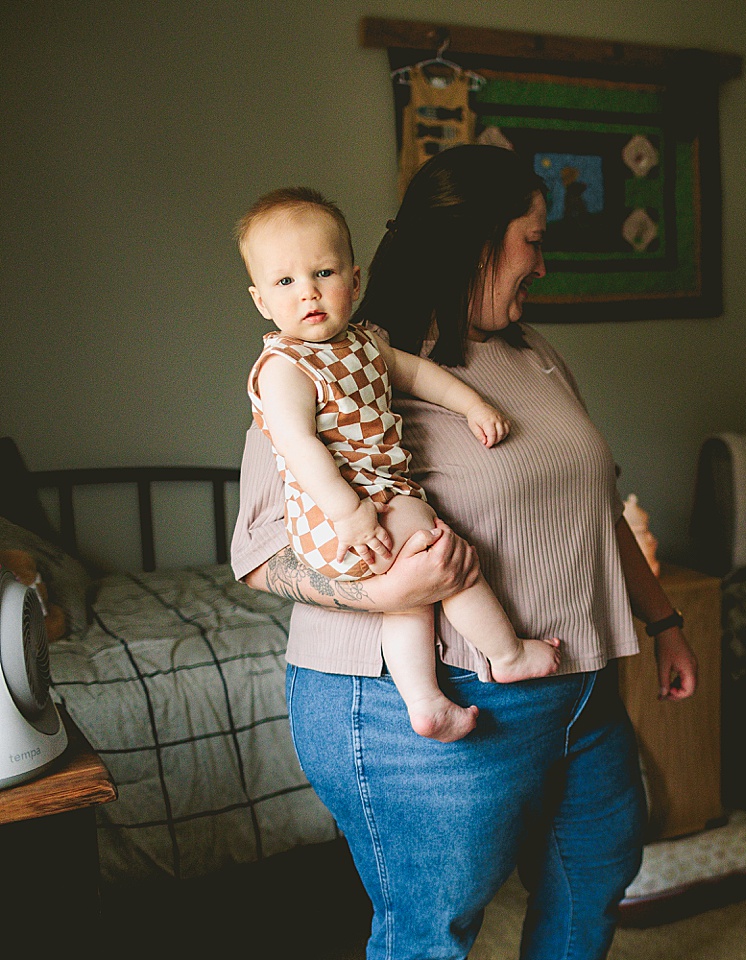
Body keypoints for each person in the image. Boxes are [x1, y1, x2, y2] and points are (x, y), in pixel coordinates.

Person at [231, 145, 698, 960]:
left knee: (597, 868)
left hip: (576, 682)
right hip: (415, 703)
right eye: (532, 239)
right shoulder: (336, 369)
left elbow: (594, 504)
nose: (542, 265)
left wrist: (664, 621)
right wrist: (383, 595)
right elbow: (262, 553)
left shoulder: (532, 354)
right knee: (433, 932)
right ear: (478, 241)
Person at [237, 187, 562, 744]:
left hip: (378, 497)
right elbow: (295, 445)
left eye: (324, 272)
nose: (308, 293)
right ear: (261, 300)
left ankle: (426, 702)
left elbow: (417, 376)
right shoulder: (284, 367)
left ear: (355, 281)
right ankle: (506, 653)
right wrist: (349, 513)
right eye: (285, 282)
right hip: (341, 514)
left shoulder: (364, 344)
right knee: (444, 554)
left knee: (412, 602)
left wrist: (472, 404)